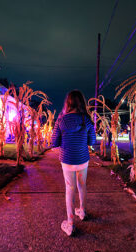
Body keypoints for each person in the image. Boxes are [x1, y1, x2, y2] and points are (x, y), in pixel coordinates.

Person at [52, 90, 96, 236]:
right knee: (82, 185)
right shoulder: (87, 120)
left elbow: (54, 142)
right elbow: (92, 141)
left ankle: (70, 224)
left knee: (70, 189)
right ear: (81, 103)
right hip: (82, 159)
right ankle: (82, 212)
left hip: (67, 160)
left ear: (68, 103)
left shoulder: (61, 120)